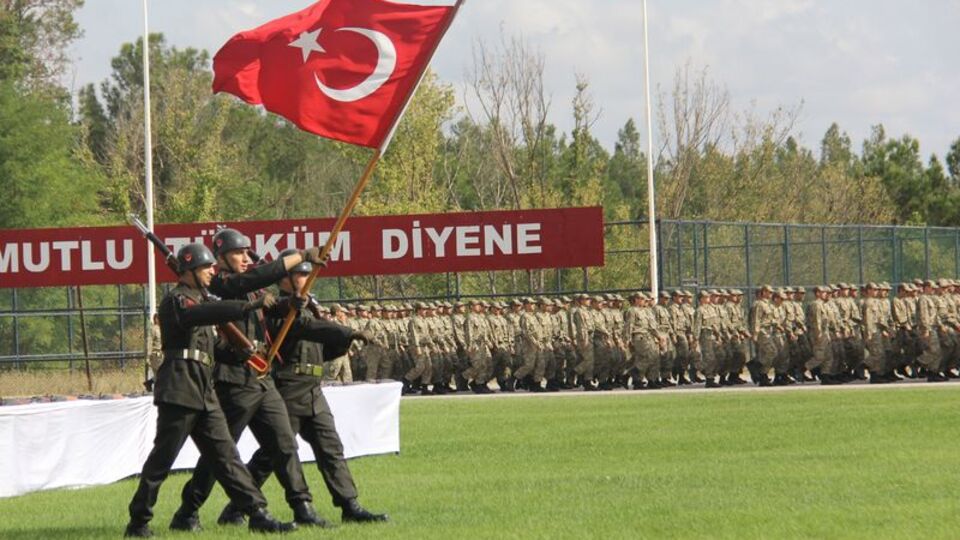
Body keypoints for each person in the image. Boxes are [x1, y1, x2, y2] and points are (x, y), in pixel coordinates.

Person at [124, 243, 293, 537]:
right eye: (206, 268)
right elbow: (200, 315)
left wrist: (241, 354)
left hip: (204, 389)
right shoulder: (177, 301)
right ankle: (139, 521)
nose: (212, 271)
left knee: (227, 456)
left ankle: (257, 513)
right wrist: (247, 305)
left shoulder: (200, 301)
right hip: (179, 387)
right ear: (188, 271)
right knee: (162, 459)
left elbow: (212, 346)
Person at [172, 229, 329, 530]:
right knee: (221, 454)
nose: (245, 259)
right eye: (238, 254)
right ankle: (187, 511)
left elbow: (264, 310)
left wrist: (288, 306)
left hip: (262, 373)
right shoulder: (220, 284)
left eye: (247, 253)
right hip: (234, 380)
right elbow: (253, 280)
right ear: (219, 259)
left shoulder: (250, 288)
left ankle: (302, 506)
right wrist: (302, 256)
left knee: (284, 444)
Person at [217, 251, 388, 525]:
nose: (303, 279)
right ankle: (236, 508)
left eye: (306, 274)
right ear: (284, 279)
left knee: (331, 448)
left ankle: (349, 504)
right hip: (287, 388)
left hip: (313, 389)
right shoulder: (276, 308)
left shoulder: (308, 305)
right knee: (273, 456)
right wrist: (343, 331)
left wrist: (341, 339)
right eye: (298, 274)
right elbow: (304, 327)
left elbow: (324, 349)